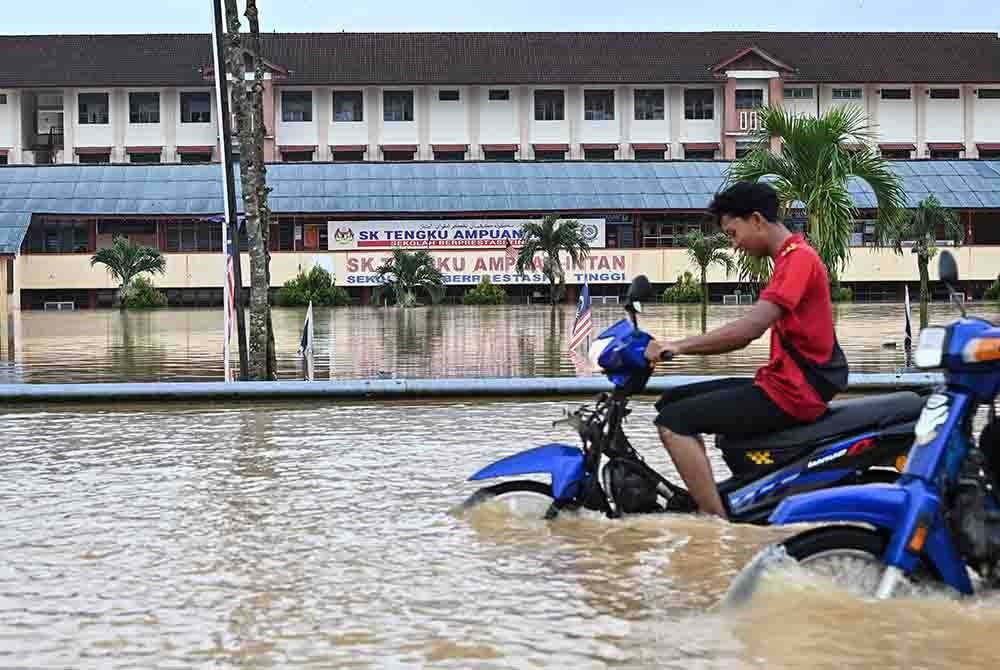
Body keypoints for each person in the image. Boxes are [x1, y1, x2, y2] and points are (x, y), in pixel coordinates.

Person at [644, 181, 847, 519]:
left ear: (756, 220)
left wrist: (677, 346)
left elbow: (749, 330)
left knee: (673, 422)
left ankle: (714, 523)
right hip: (780, 383)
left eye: (732, 233)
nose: (734, 245)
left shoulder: (798, 261)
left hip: (795, 394)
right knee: (670, 402)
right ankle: (724, 494)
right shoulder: (788, 259)